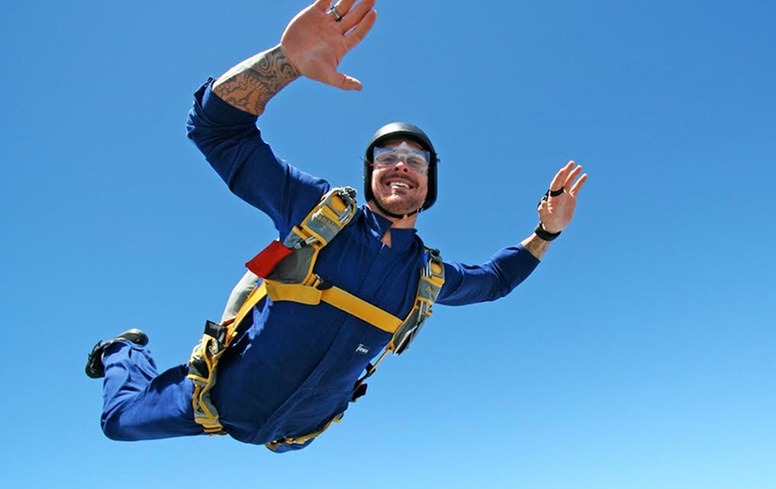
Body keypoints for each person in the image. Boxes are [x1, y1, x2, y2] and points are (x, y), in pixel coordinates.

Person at [86, 0, 588, 453]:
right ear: (369, 174)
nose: (400, 164)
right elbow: (216, 130)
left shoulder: (425, 277)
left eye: (416, 159)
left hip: (295, 432)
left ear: (430, 182)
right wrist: (283, 64)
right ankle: (122, 350)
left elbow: (495, 281)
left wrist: (546, 234)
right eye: (386, 156)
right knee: (118, 421)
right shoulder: (317, 211)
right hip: (213, 402)